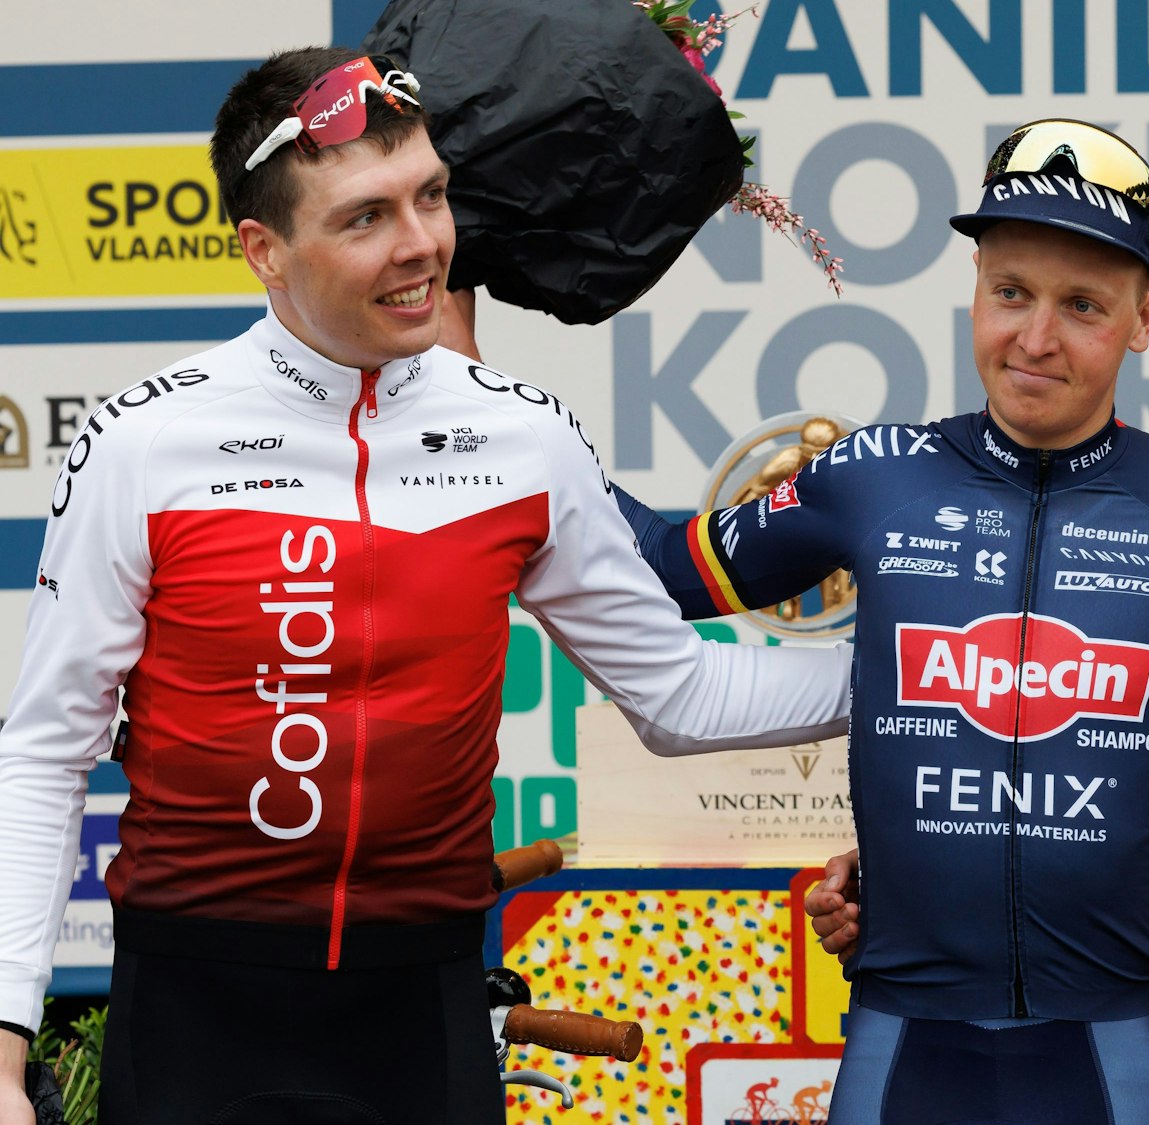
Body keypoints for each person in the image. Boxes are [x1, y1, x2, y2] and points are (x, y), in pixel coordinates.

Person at [0, 47, 852, 1125]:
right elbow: (42, 754)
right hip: (195, 1013)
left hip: (423, 1011)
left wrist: (918, 672)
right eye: (365, 218)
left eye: (432, 196)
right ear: (264, 250)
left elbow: (680, 696)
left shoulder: (521, 437)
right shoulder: (144, 442)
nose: (420, 247)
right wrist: (2, 1051)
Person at [617, 119, 1149, 1124]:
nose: (1034, 339)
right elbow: (667, 571)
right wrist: (521, 438)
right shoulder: (872, 475)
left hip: (1103, 1048)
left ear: (1146, 318)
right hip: (900, 1041)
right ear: (974, 283)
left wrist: (1147, 820)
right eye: (1009, 292)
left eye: (1082, 307)